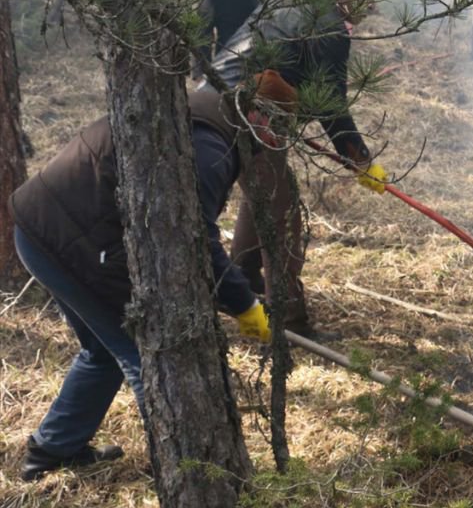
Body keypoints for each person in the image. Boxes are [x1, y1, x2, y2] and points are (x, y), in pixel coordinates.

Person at [9, 71, 295, 481]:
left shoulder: (210, 115)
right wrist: (245, 305)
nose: (277, 140)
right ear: (257, 114)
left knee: (102, 351)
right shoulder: (210, 146)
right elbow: (195, 235)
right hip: (69, 241)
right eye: (277, 127)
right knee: (143, 353)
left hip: (45, 228)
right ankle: (192, 478)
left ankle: (53, 450)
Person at [198, 0, 388, 335]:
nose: (371, 6)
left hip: (219, 105)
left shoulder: (291, 10)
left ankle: (241, 283)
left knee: (264, 198)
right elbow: (330, 105)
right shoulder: (329, 27)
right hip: (248, 117)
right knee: (282, 212)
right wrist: (361, 160)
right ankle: (289, 320)